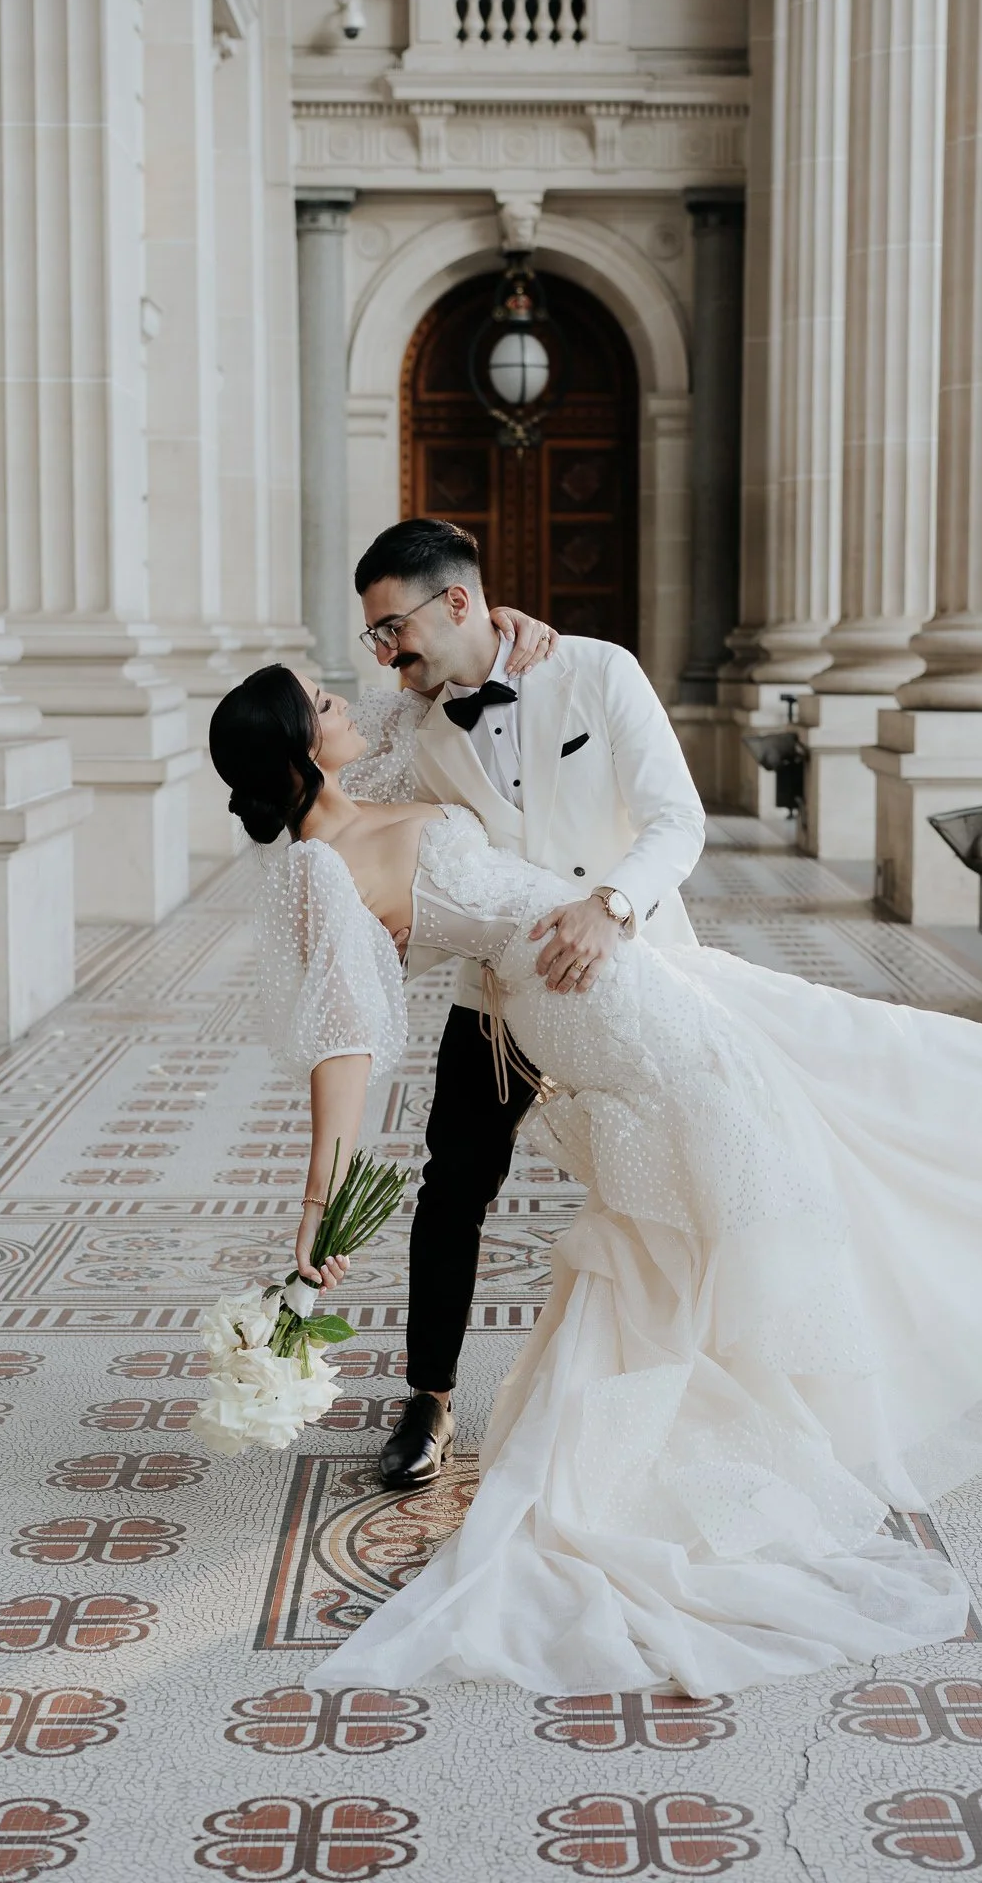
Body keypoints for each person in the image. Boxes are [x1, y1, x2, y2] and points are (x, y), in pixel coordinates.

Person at [208, 663, 982, 1698]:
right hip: (586, 1001)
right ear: (295, 749)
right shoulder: (322, 871)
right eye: (322, 706)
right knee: (754, 1159)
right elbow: (342, 1047)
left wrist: (515, 633)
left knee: (826, 1048)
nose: (347, 704)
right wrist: (316, 1211)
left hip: (625, 962)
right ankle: (773, 1396)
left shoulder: (386, 771)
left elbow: (432, 673)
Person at [336, 519, 705, 1493]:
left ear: (458, 601)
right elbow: (317, 765)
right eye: (374, 638)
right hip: (497, 994)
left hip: (628, 973)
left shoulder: (596, 670)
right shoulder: (412, 726)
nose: (383, 651)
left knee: (665, 1177)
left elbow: (677, 817)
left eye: (391, 629)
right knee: (451, 1185)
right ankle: (429, 1396)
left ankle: (672, 1390)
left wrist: (611, 904)